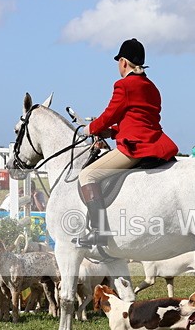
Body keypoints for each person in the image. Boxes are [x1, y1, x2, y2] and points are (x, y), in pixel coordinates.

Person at [74, 38, 178, 247]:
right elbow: (140, 119)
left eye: (118, 62)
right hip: (155, 141)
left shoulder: (124, 85)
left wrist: (90, 129)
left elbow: (109, 114)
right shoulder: (152, 87)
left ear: (123, 62)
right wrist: (112, 133)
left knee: (87, 174)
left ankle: (99, 231)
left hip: (136, 147)